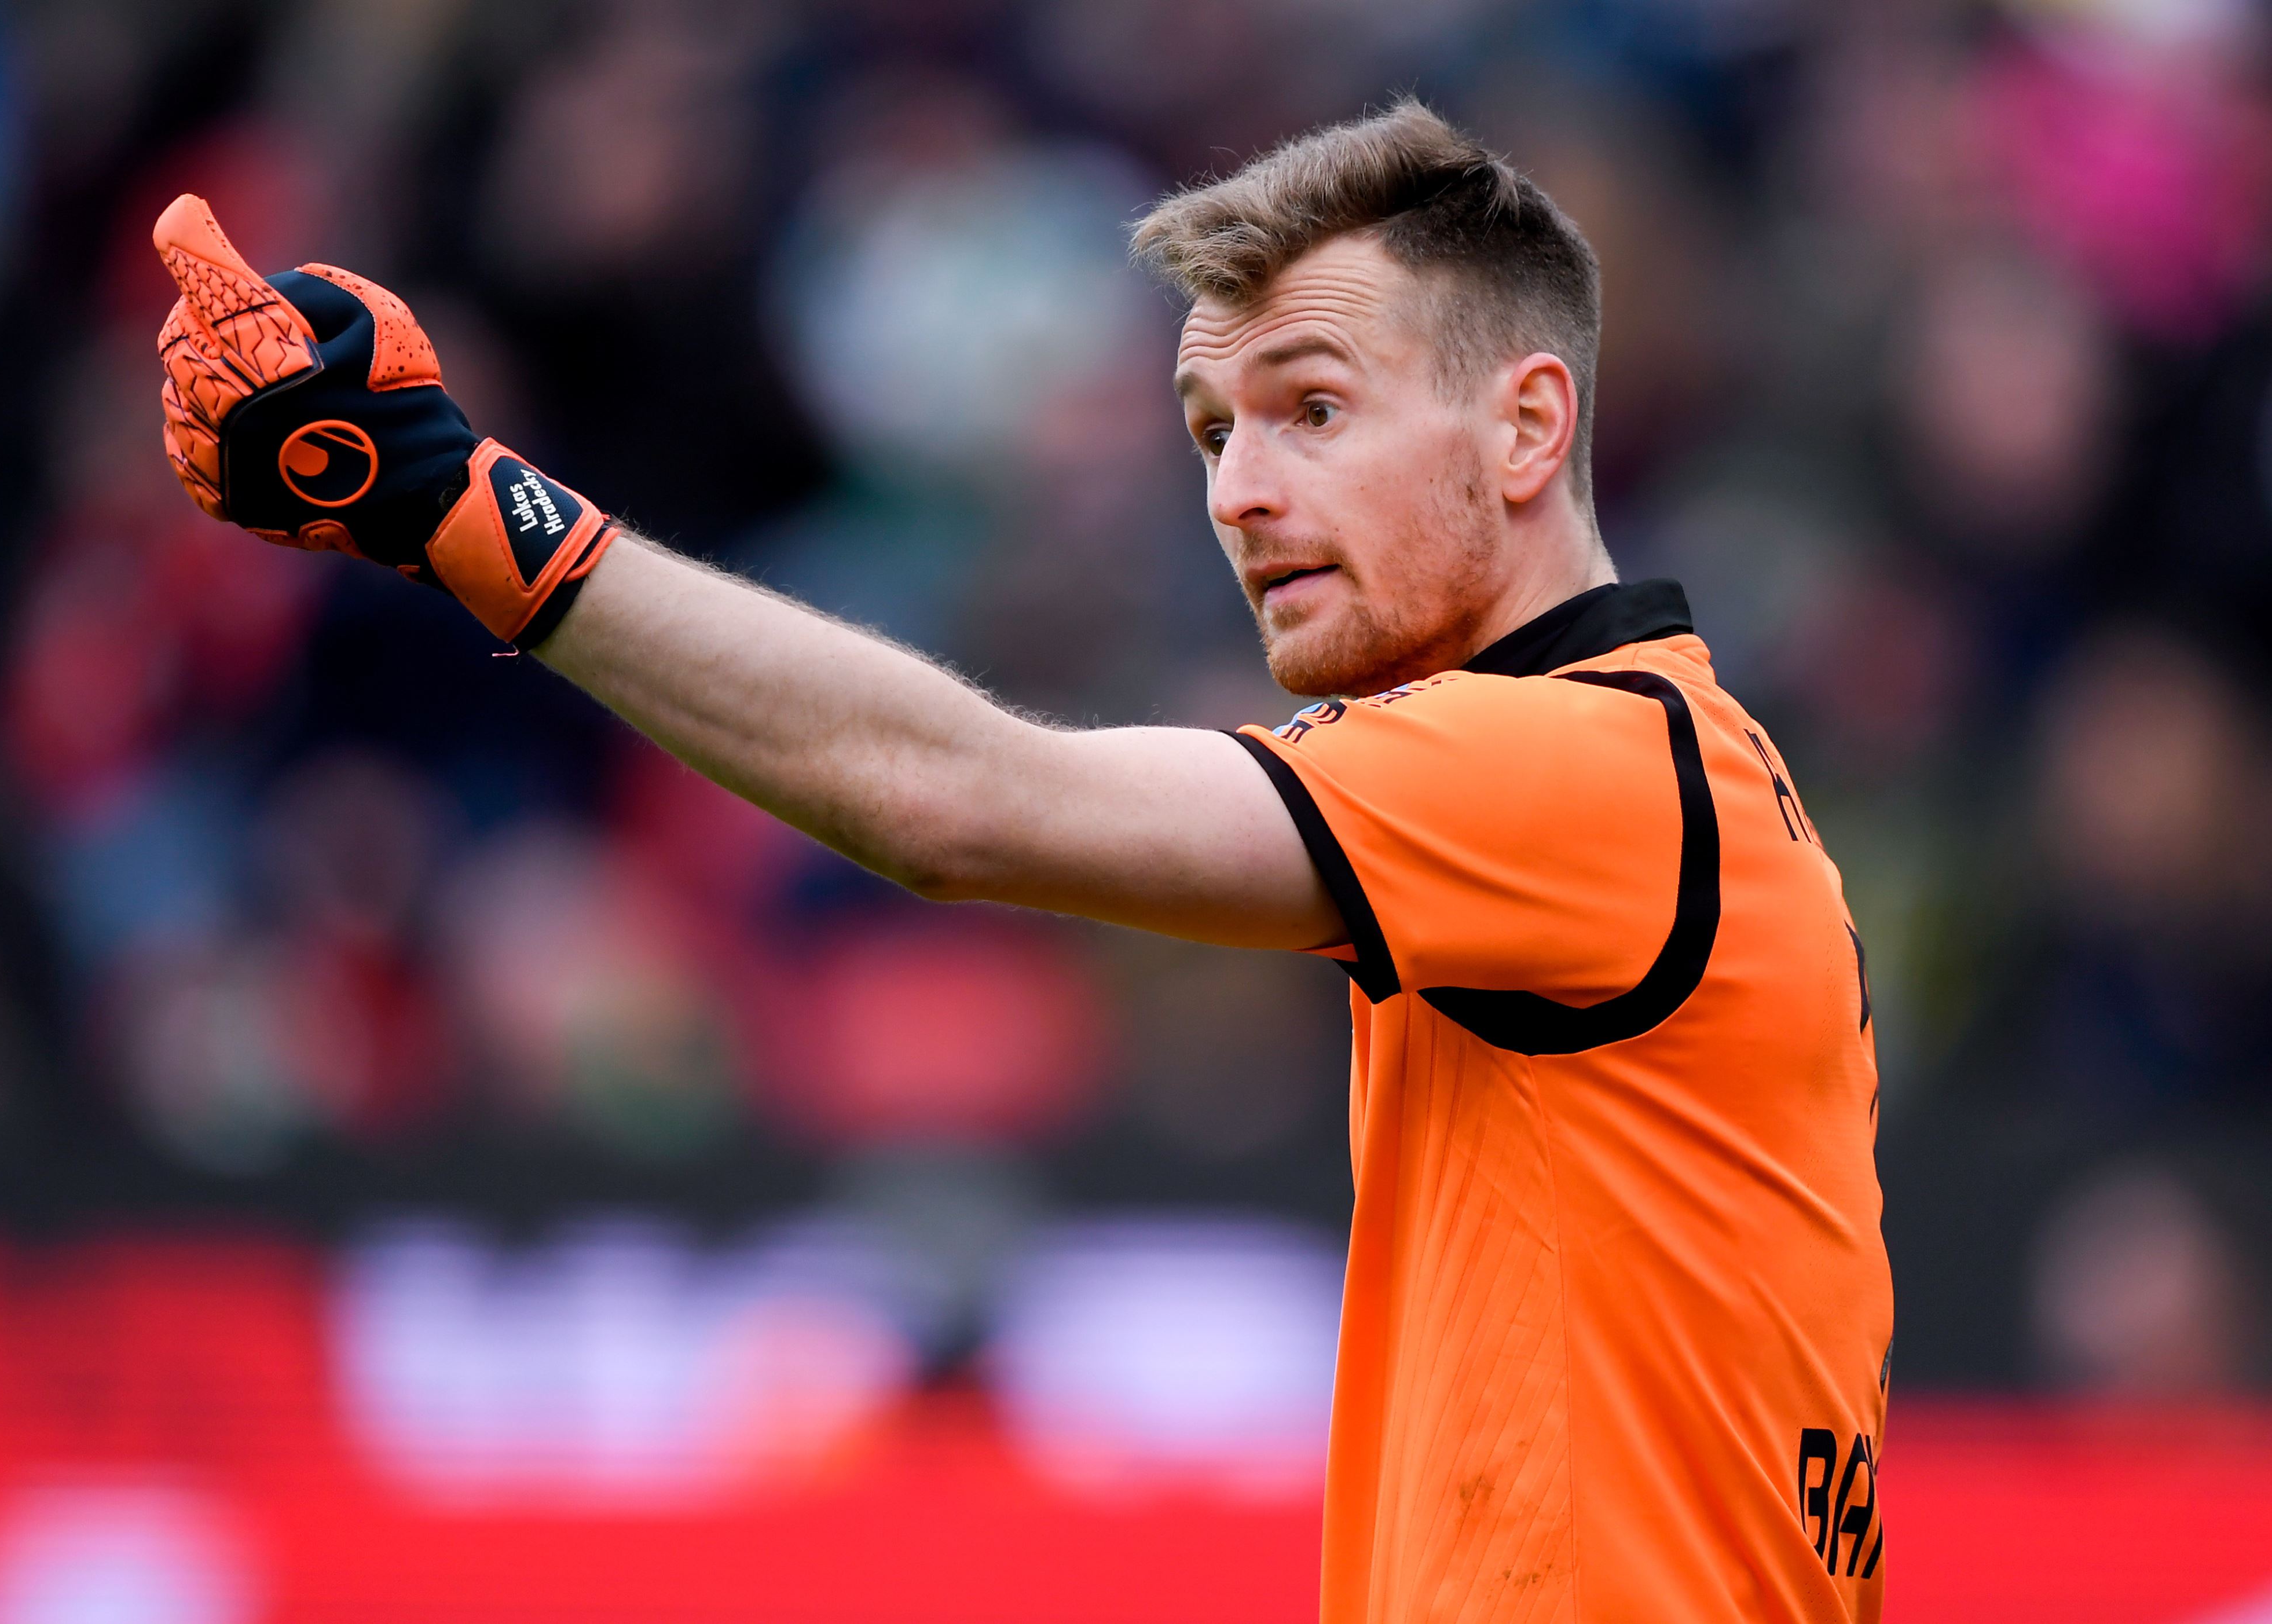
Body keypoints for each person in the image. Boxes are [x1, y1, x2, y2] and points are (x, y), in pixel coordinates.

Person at [152, 98, 1889, 1623]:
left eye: (1313, 410)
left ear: (1526, 430)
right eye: (1214, 431)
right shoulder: (1650, 783)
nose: (1240, 493)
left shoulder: (1582, 770)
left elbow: (958, 803)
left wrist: (463, 508)